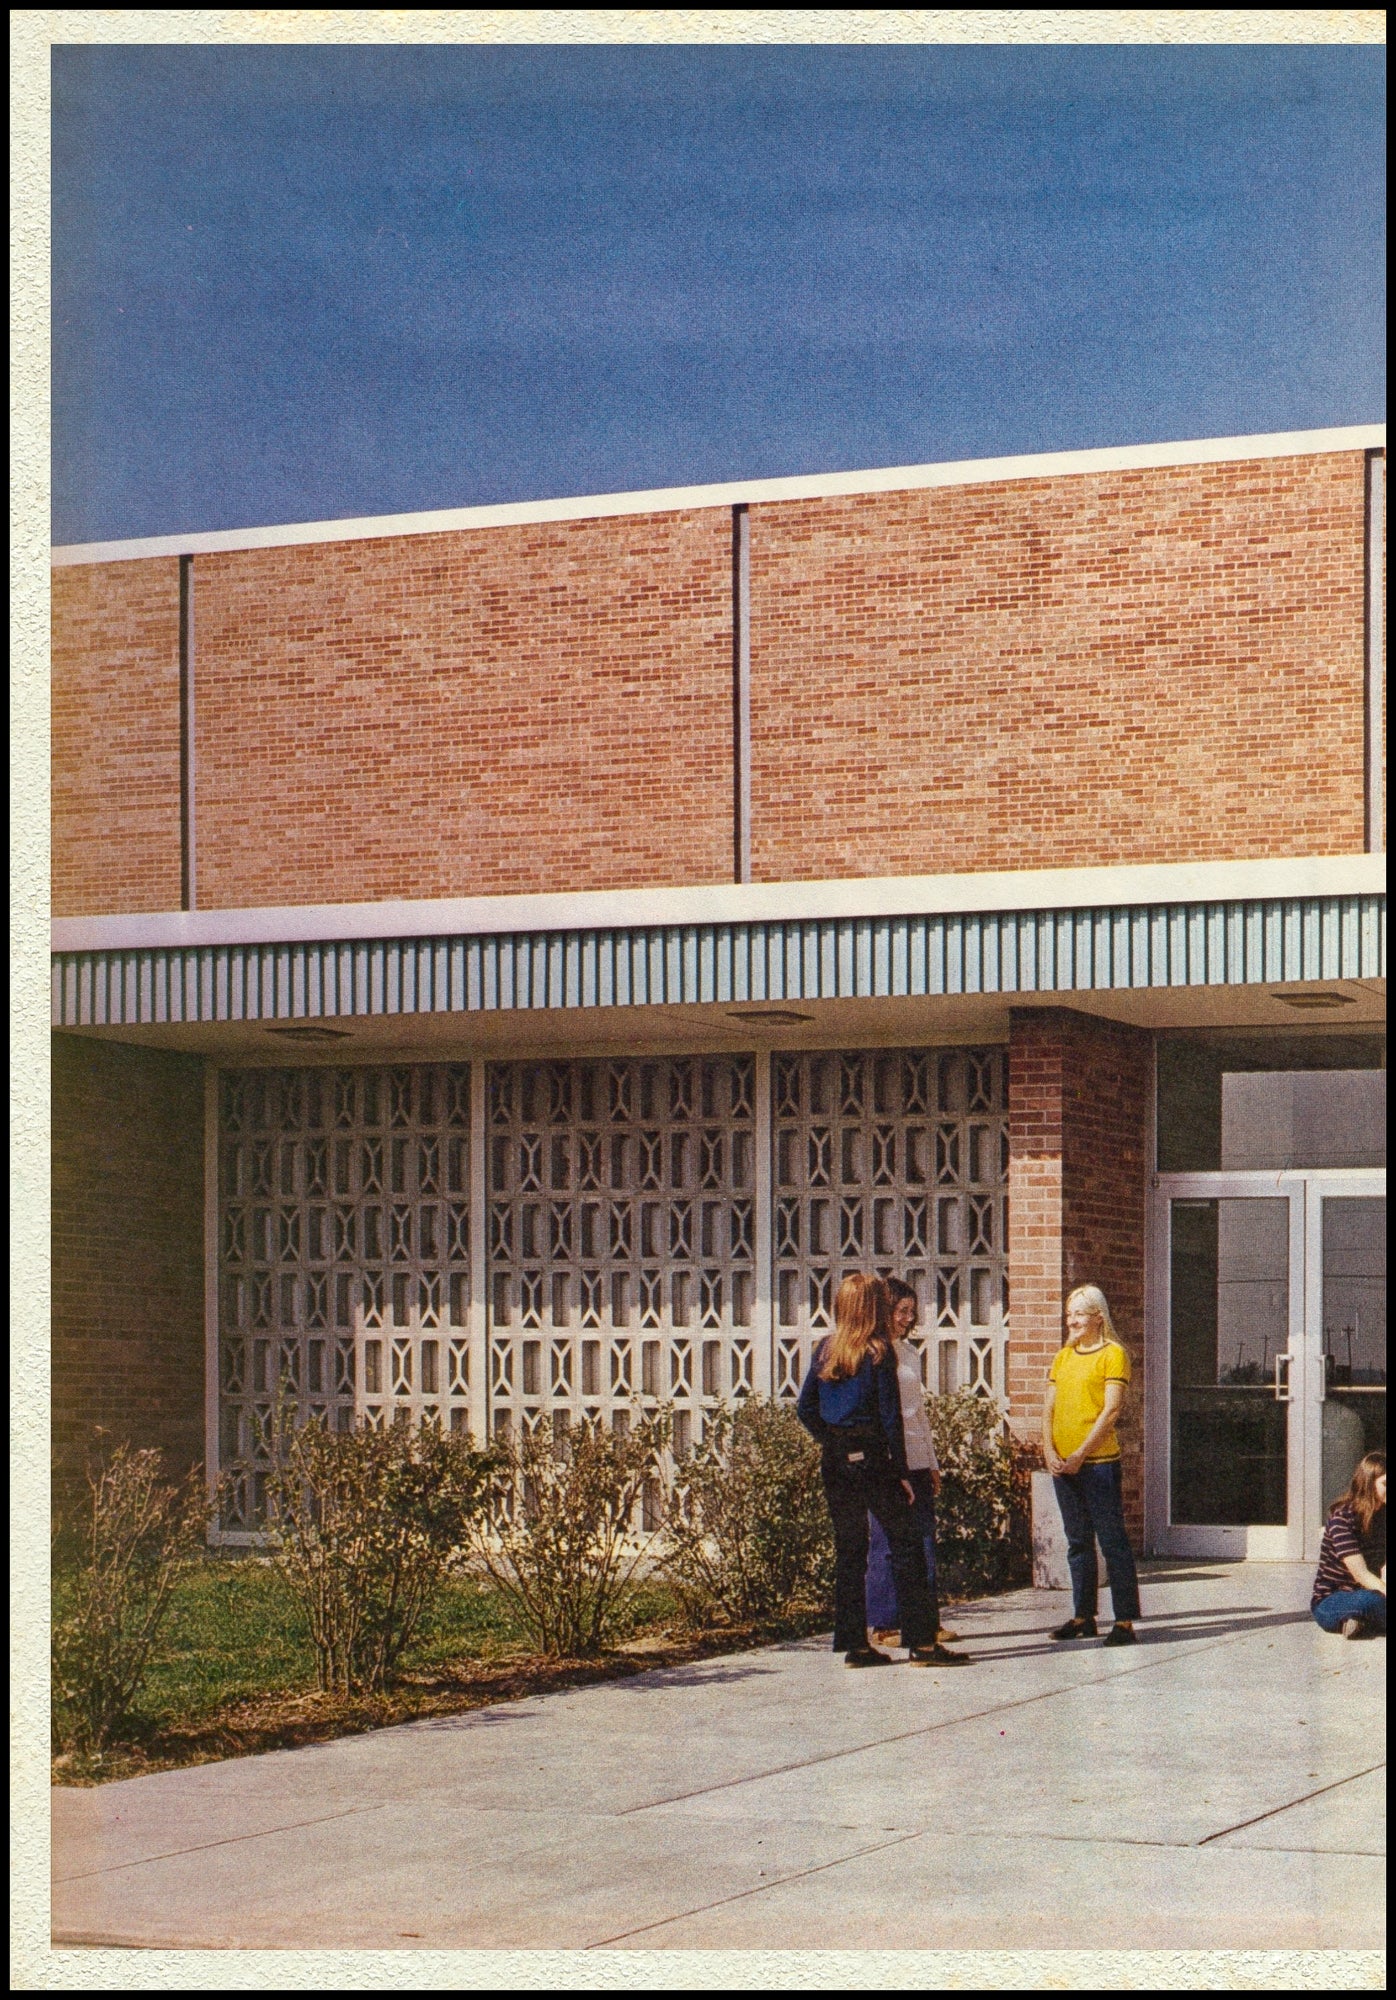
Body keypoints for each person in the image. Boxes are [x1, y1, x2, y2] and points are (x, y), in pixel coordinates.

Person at [797, 1272, 965, 1667]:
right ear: (871, 1307)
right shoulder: (879, 1352)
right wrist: (903, 1474)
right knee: (908, 1545)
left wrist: (834, 1441)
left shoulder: (826, 1349)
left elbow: (805, 1408)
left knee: (850, 1552)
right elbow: (891, 1420)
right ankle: (923, 1644)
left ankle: (855, 1645)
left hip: (836, 1463)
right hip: (875, 1460)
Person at [864, 1278, 962, 1653]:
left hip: (917, 1458)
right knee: (886, 1542)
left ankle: (925, 1621)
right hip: (889, 1461)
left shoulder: (908, 1353)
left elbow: (916, 1413)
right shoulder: (872, 1354)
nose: (906, 1318)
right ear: (882, 1311)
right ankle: (886, 1622)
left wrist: (932, 1462)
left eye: (910, 1311)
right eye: (899, 1311)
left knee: (924, 1540)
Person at [1042, 1283, 1142, 1647]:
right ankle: (1083, 1615)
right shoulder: (1063, 1357)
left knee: (1112, 1540)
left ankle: (1125, 1620)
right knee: (1077, 1540)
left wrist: (1081, 1453)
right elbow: (1048, 1408)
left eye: (1080, 1314)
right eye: (1069, 1315)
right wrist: (1048, 1450)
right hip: (1063, 1464)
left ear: (1099, 1317)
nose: (1072, 1321)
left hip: (1097, 1463)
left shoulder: (1113, 1354)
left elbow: (1111, 1410)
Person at [1311, 1451, 1386, 1638]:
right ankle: (1358, 1617)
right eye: (1385, 1483)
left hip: (1372, 1590)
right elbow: (1360, 1574)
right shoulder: (1342, 1518)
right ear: (1368, 1484)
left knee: (1373, 1601)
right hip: (1333, 1598)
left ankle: (1358, 1622)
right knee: (1369, 1602)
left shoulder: (1383, 1516)